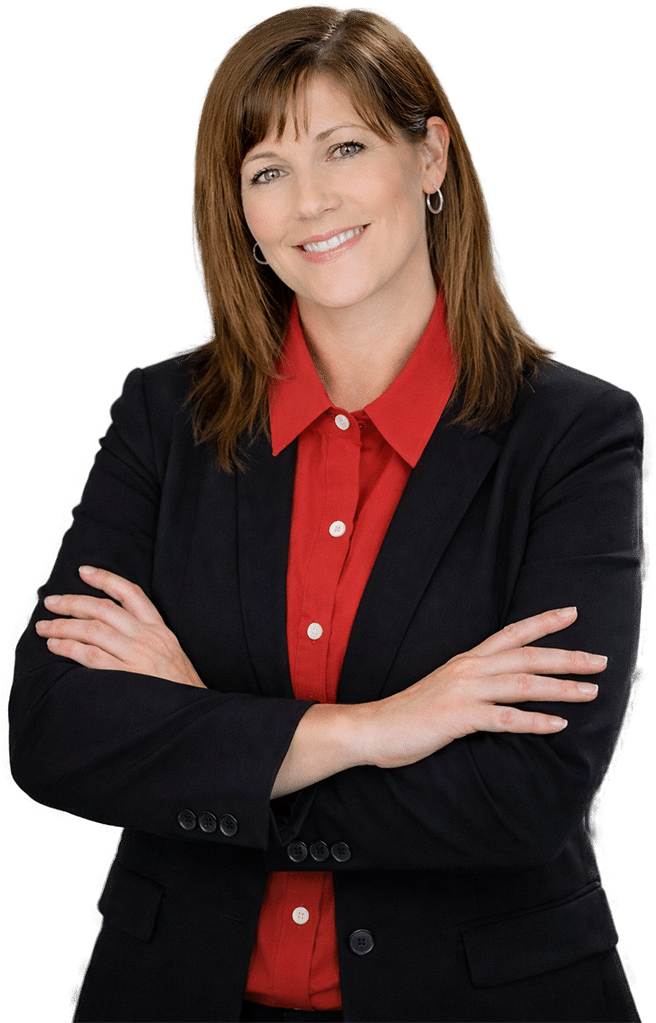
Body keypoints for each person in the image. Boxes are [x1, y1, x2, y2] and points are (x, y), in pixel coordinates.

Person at [8, 5, 643, 1021]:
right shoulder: (163, 417)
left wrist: (206, 740)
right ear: (240, 213)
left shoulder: (572, 436)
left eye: (344, 148)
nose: (309, 201)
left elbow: (524, 797)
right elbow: (53, 731)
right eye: (267, 170)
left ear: (429, 157)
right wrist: (375, 729)